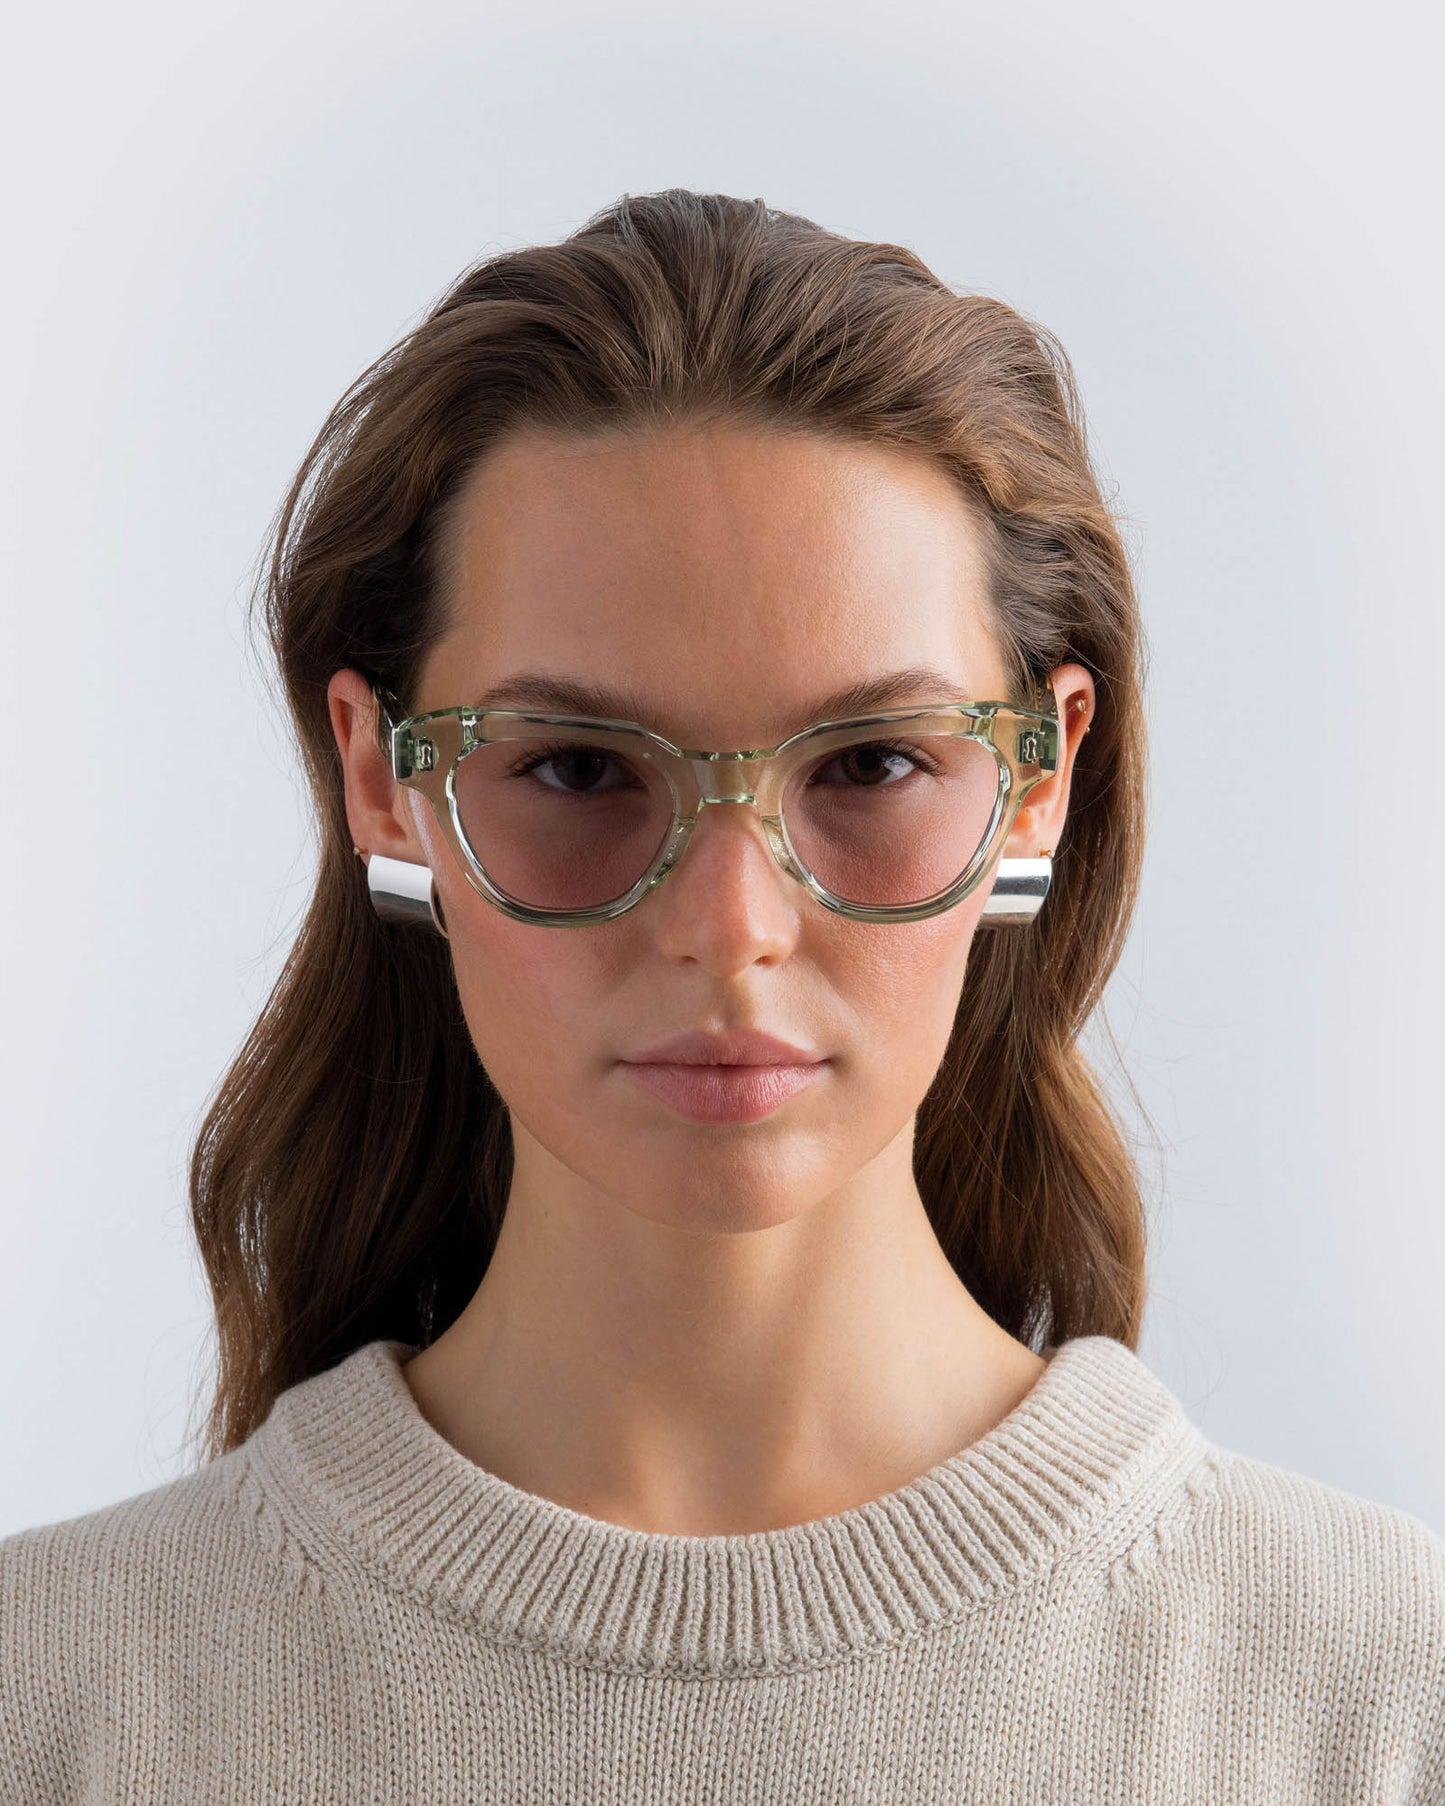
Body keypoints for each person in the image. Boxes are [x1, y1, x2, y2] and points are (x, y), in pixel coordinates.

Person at [2, 188, 1440, 1803]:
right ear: (381, 776)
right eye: (571, 767)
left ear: (1038, 782)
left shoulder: (1381, 1696)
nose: (728, 923)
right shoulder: (50, 1697)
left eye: (874, 762)